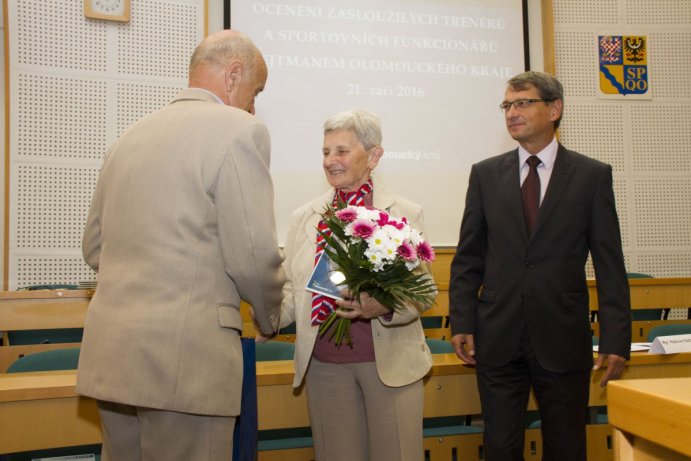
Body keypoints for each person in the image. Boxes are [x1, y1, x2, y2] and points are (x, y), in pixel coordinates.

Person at [77, 30, 284, 461]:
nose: (253, 104)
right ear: (233, 75)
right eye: (255, 90)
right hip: (187, 364)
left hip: (113, 358)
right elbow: (251, 254)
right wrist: (271, 315)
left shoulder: (128, 138)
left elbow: (94, 248)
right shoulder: (240, 130)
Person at [449, 71, 631, 461]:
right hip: (497, 335)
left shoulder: (591, 176)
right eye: (507, 105)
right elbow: (469, 257)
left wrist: (616, 338)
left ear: (554, 108)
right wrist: (462, 320)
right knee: (500, 447)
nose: (512, 113)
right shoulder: (485, 174)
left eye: (522, 103)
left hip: (563, 336)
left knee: (566, 447)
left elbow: (609, 263)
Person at [276, 108, 436, 461]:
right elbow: (292, 290)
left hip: (389, 365)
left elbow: (424, 292)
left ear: (374, 155)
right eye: (325, 152)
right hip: (324, 366)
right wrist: (267, 317)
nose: (331, 161)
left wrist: (385, 305)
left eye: (341, 151)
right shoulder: (305, 218)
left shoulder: (404, 213)